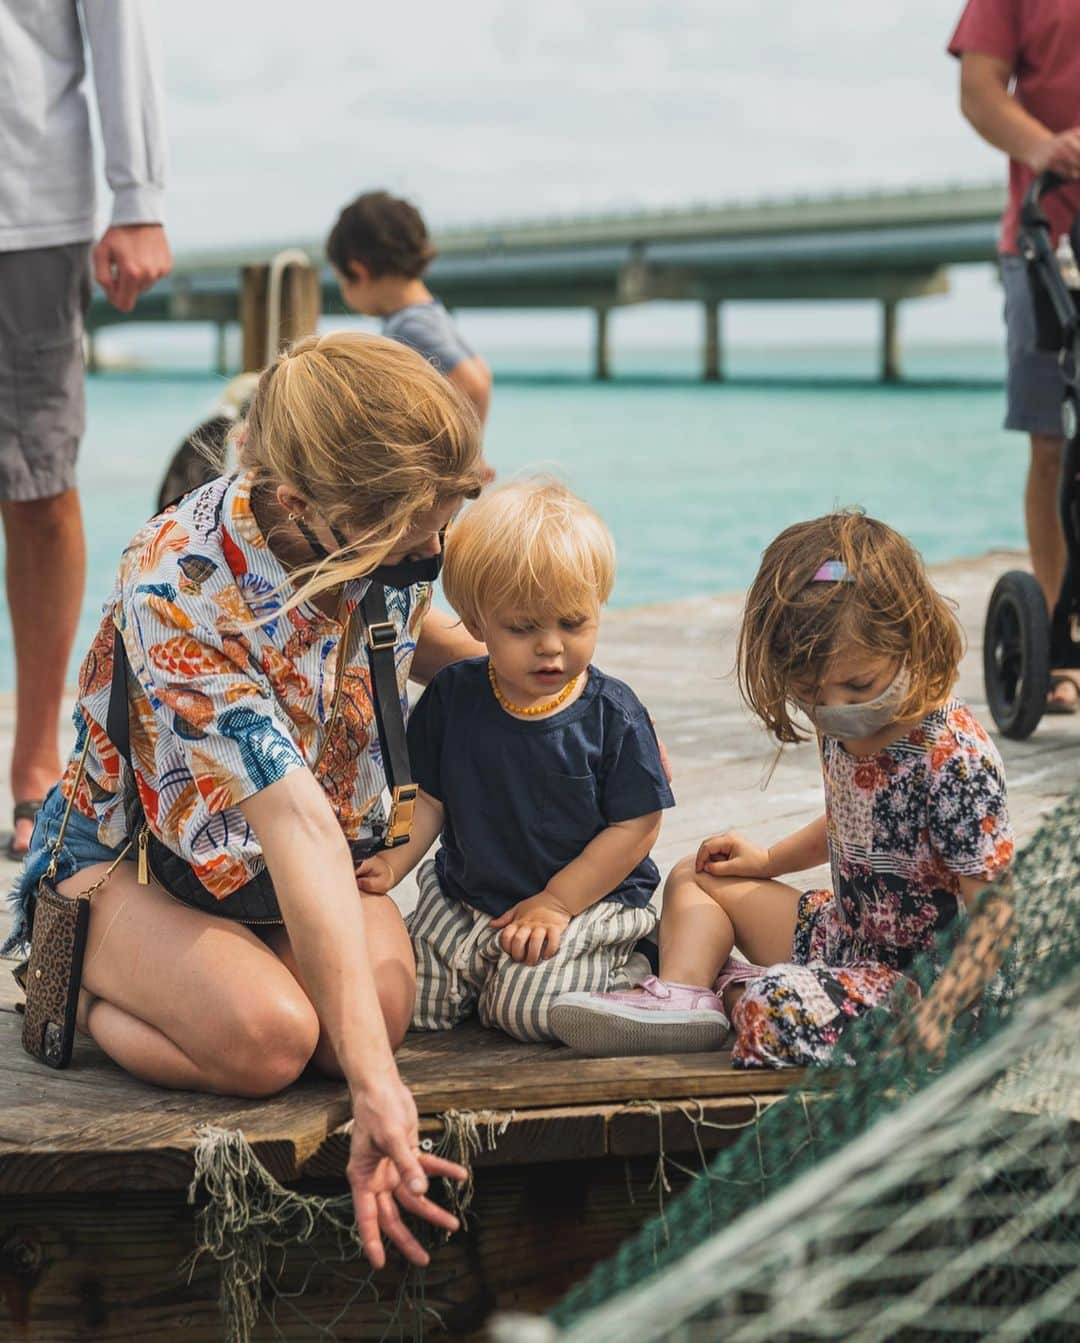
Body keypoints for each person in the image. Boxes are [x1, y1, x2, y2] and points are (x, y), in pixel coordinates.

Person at [3, 333, 481, 1266]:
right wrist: (383, 1096)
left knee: (367, 1017)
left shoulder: (383, 536)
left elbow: (410, 634)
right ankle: (64, 967)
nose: (431, 554)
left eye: (443, 528)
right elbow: (291, 813)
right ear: (305, 504)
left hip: (289, 864)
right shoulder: (177, 584)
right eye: (413, 538)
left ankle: (235, 967)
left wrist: (565, 687)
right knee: (268, 1043)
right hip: (142, 862)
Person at [549, 512, 1015, 1067]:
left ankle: (744, 990)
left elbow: (994, 911)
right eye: (813, 694)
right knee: (698, 877)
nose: (837, 708)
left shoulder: (954, 760)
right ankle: (684, 1000)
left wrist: (942, 1011)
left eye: (858, 686)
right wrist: (767, 860)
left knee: (775, 1010)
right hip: (852, 940)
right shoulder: (847, 726)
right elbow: (854, 820)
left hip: (932, 986)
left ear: (911, 641)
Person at [352, 479, 675, 1043]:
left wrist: (556, 902)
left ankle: (633, 970)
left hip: (585, 899)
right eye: (523, 628)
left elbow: (637, 825)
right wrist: (394, 862)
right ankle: (495, 975)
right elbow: (429, 798)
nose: (551, 646)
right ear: (476, 624)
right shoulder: (454, 696)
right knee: (413, 1003)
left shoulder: (612, 715)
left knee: (527, 1013)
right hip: (470, 894)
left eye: (572, 624)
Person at [0, 0, 173, 858]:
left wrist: (138, 194)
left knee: (36, 488)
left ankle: (34, 762)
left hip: (23, 207)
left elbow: (116, 16)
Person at [949, 0, 1080, 712]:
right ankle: (1062, 649)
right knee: (1054, 442)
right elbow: (978, 89)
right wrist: (1045, 148)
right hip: (1046, 241)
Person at [327, 191, 493, 426]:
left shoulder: (409, 327)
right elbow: (482, 373)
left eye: (341, 279)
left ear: (358, 271)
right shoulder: (430, 313)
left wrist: (467, 458)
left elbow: (473, 385)